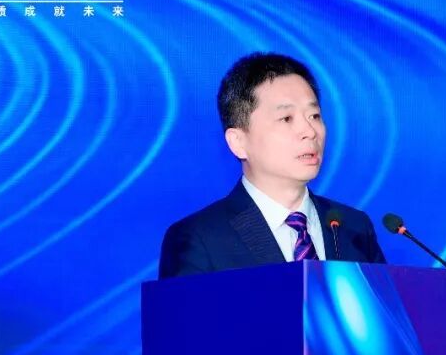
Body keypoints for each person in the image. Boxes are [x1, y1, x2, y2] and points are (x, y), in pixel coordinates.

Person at [159, 53, 386, 278]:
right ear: (238, 142)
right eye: (286, 118)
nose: (309, 131)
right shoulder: (200, 239)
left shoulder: (353, 228)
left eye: (314, 116)